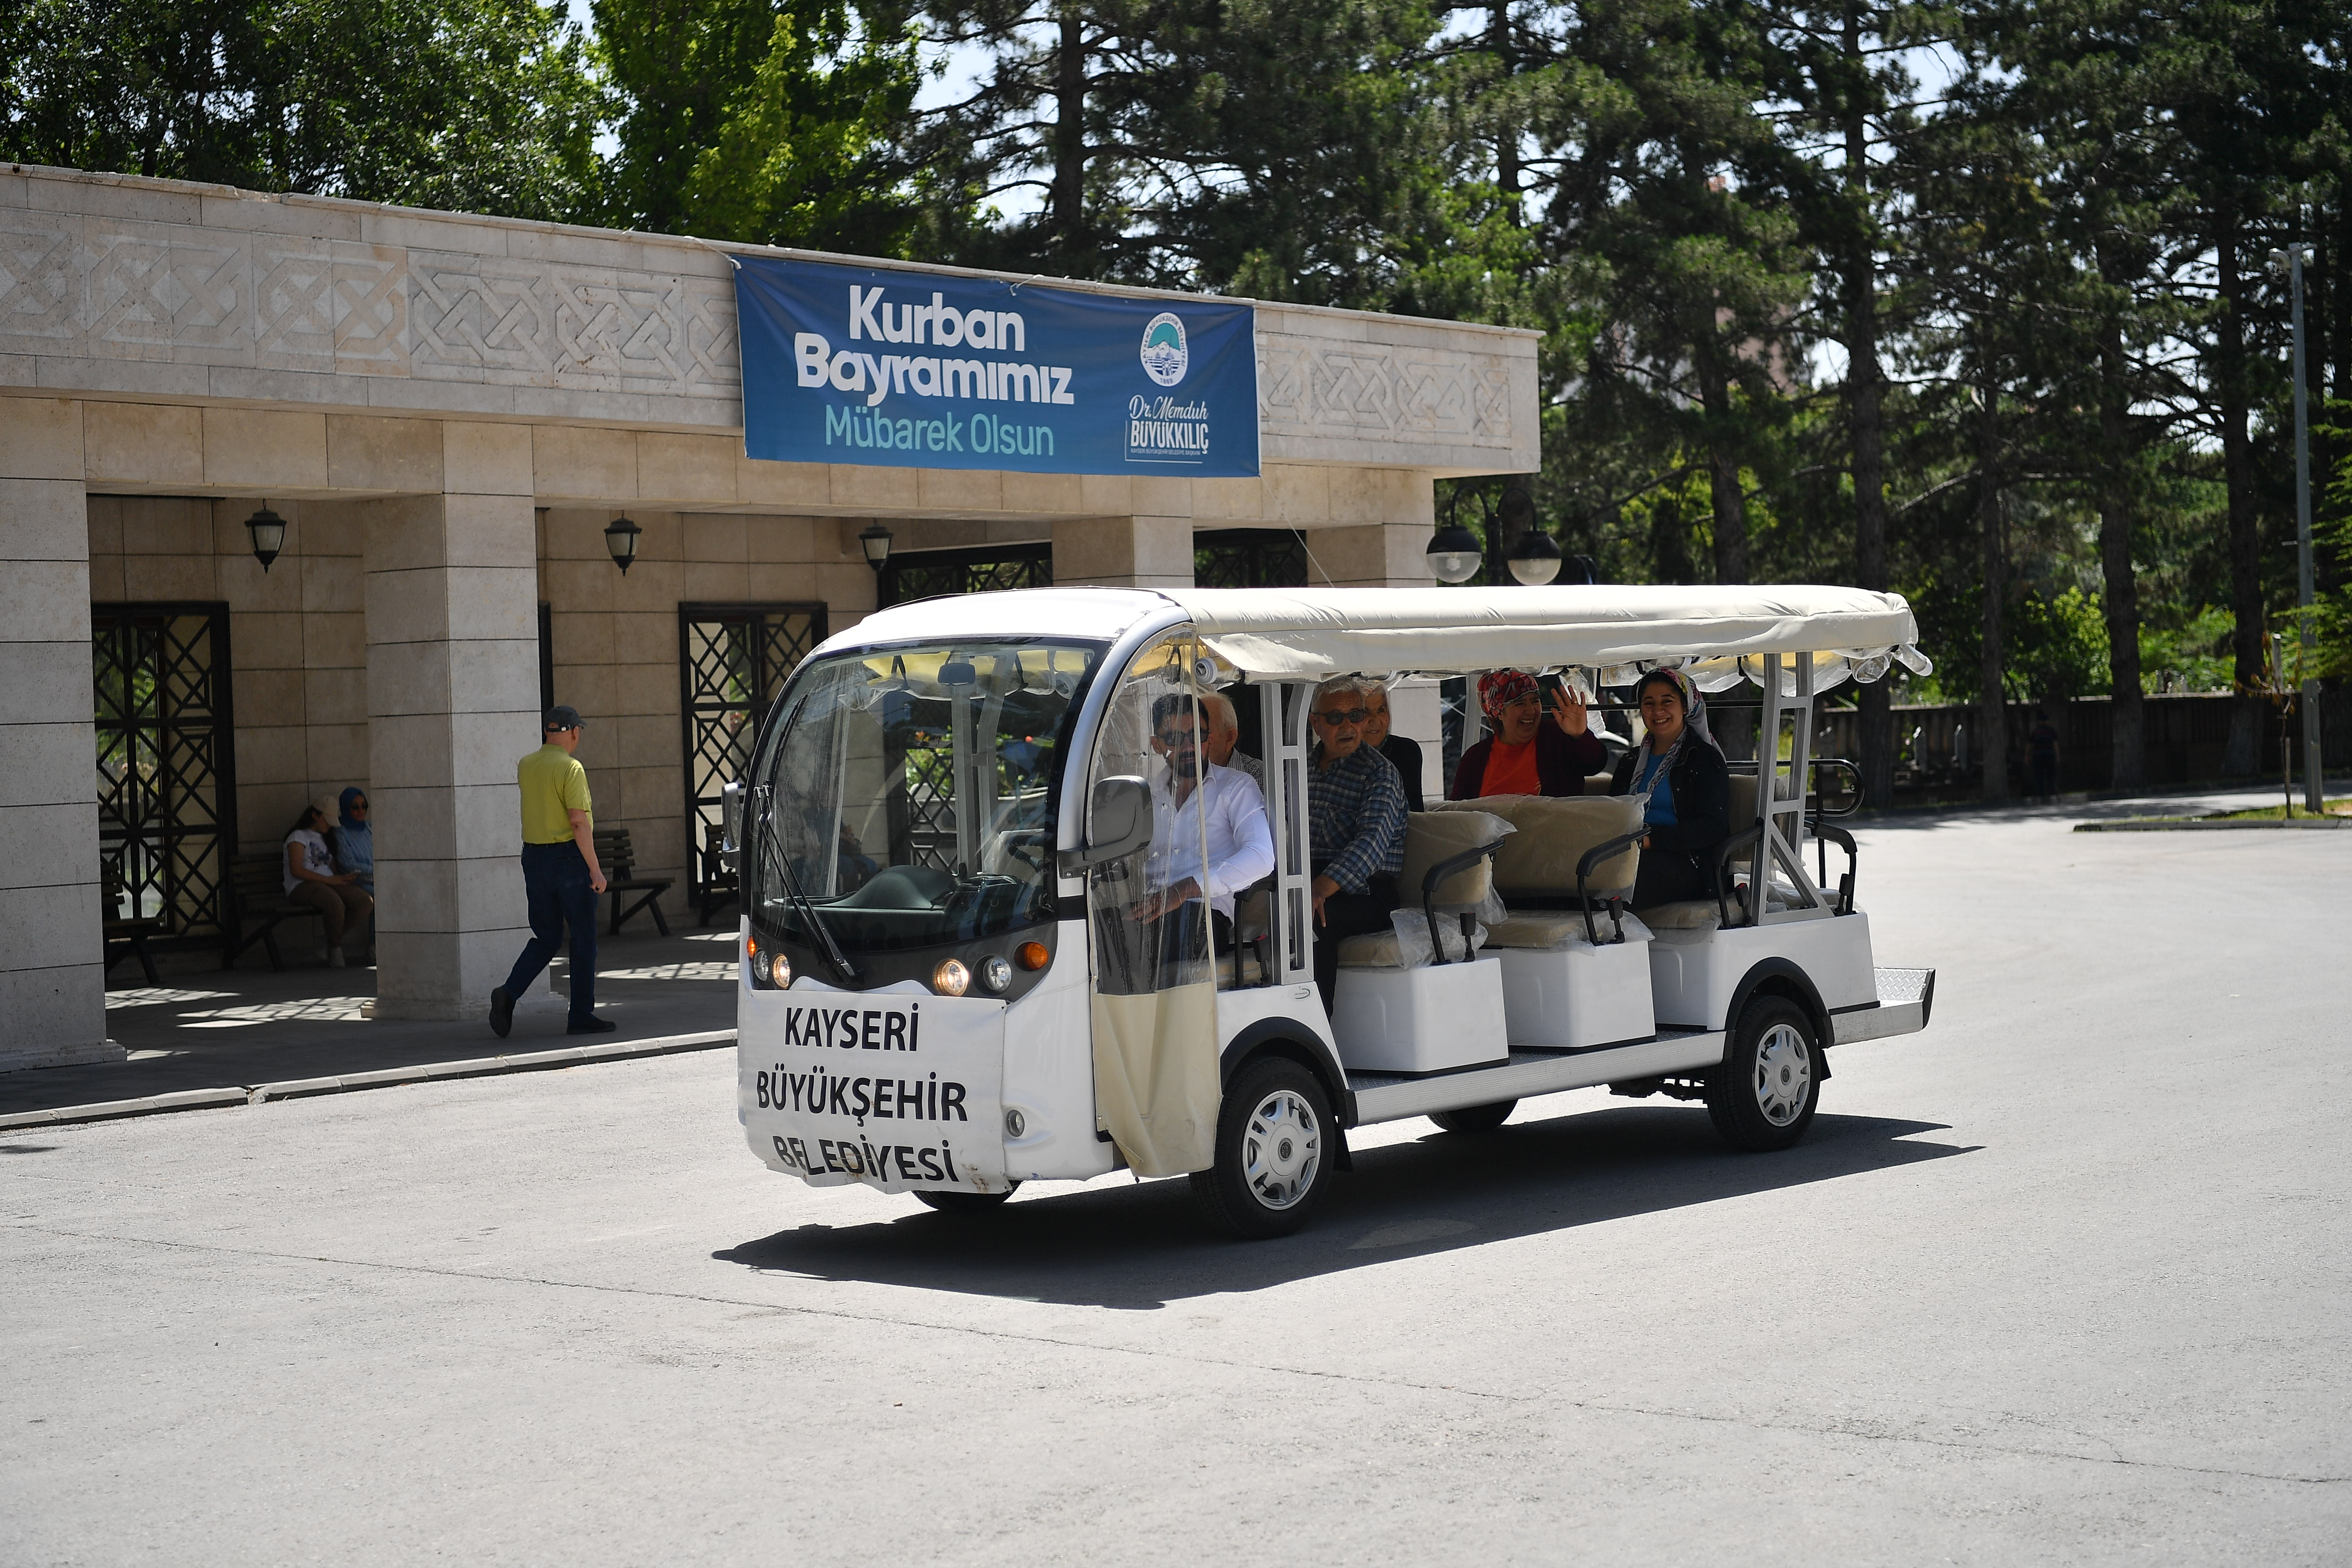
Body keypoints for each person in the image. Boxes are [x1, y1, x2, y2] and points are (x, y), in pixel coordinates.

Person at [1128, 692, 1276, 972]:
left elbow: (1261, 856)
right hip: (1151, 911)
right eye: (1173, 738)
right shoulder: (1145, 795)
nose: (1187, 747)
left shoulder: (1236, 787)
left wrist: (1183, 890)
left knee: (1145, 944)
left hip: (1207, 916)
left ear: (1208, 739)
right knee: (1090, 933)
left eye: (1196, 736)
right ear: (1156, 745)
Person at [490, 705, 612, 1037]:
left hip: (534, 858)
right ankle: (581, 1015)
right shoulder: (571, 768)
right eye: (579, 732)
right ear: (573, 732)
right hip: (569, 862)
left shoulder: (527, 765)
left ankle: (509, 992)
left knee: (547, 938)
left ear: (548, 732)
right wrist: (596, 871)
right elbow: (578, 822)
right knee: (584, 938)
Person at [1305, 676, 1408, 1013]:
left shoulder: (1380, 774)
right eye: (1336, 718)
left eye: (1357, 716)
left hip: (1366, 891)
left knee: (1315, 920)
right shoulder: (1299, 767)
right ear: (1316, 722)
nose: (1348, 726)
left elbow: (1371, 845)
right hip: (1307, 879)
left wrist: (1319, 889)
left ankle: (1317, 1028)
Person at [1608, 668, 1731, 909]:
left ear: (1685, 706)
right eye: (1649, 703)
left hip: (1688, 863)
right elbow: (1612, 814)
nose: (1658, 711)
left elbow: (1713, 826)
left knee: (1621, 883)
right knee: (1576, 876)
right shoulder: (1630, 761)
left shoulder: (1704, 758)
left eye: (1668, 701)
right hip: (1631, 854)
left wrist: (1653, 841)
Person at [1450, 670, 1608, 800]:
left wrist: (1579, 735)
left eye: (1535, 701)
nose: (1531, 711)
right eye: (1519, 704)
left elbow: (1595, 764)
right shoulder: (1475, 758)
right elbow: (1459, 814)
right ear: (1498, 712)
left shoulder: (1556, 736)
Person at [283, 802, 372, 968]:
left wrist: (342, 879)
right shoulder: (298, 836)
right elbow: (296, 870)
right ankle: (335, 947)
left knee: (364, 901)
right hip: (302, 885)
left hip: (327, 883)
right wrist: (330, 881)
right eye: (327, 820)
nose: (330, 826)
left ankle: (330, 939)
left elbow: (330, 869)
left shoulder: (326, 838)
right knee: (334, 903)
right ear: (315, 815)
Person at [1359, 681, 1427, 811]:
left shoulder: (1405, 751)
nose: (1375, 720)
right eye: (1365, 712)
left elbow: (1413, 814)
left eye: (1381, 711)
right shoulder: (1338, 756)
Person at [1200, 689, 1264, 791]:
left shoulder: (1259, 776)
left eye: (1201, 733)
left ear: (1230, 738)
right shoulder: (1181, 776)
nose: (1190, 742)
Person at [2027, 710, 2061, 800]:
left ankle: (2042, 794)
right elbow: (2055, 745)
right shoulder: (2051, 732)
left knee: (2040, 776)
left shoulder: (2036, 732)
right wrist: (2058, 757)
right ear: (2047, 722)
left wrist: (2027, 757)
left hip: (2038, 756)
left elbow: (2029, 746)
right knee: (2050, 775)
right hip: (2049, 755)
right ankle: (2050, 791)